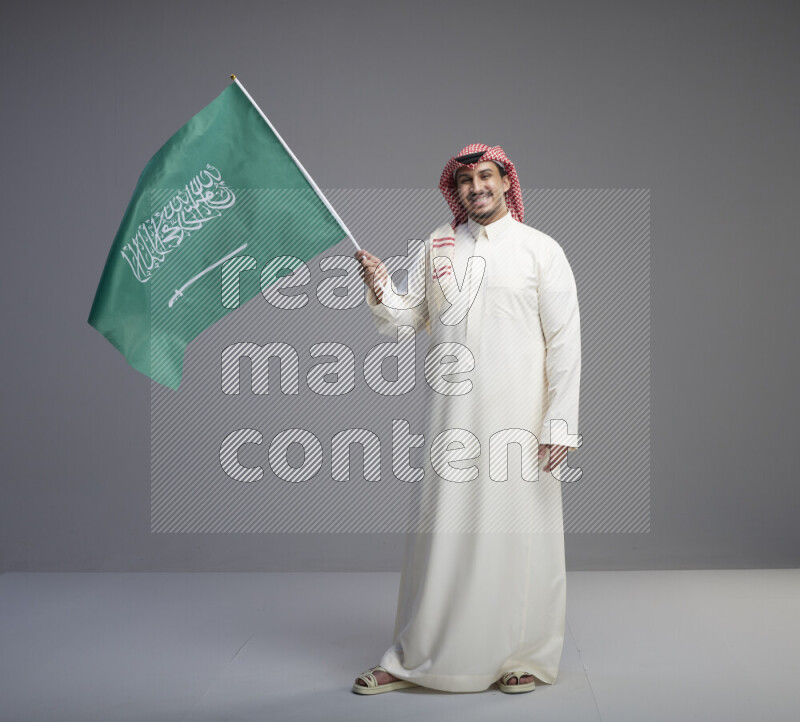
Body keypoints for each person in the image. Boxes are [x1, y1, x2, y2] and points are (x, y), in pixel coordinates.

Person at [352, 143, 581, 695]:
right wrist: (380, 285)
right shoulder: (439, 245)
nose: (476, 187)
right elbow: (414, 317)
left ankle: (521, 656)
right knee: (443, 533)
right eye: (465, 181)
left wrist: (560, 424)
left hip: (520, 422)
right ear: (454, 191)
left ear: (507, 184)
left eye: (486, 177)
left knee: (518, 536)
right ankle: (414, 654)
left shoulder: (539, 250)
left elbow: (565, 341)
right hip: (451, 419)